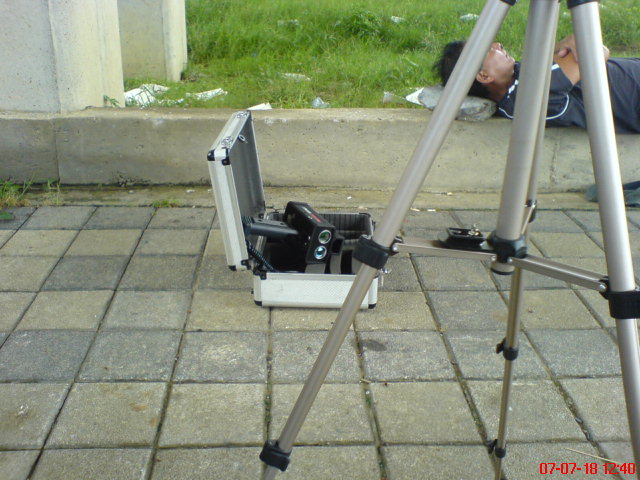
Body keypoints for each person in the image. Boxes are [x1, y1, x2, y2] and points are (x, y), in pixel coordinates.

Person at [435, 36, 640, 134]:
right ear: (484, 75)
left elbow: (564, 54)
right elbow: (594, 50)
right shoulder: (530, 97)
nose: (498, 44)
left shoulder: (516, 80)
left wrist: (562, 46)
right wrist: (572, 43)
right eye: (489, 49)